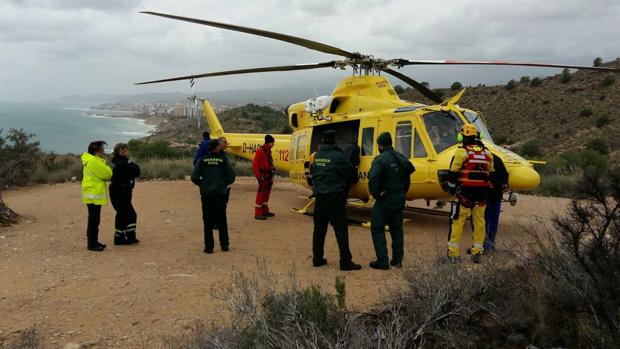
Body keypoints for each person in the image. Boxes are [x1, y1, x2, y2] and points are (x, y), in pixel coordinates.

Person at [310, 130, 361, 271]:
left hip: (319, 198)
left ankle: (317, 259)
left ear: (323, 140)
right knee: (341, 230)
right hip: (335, 198)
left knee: (319, 230)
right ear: (334, 140)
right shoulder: (338, 156)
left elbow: (313, 172)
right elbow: (351, 174)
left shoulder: (318, 156)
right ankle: (345, 262)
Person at [446, 124, 494, 264]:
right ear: (477, 136)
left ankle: (453, 254)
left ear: (462, 136)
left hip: (465, 193)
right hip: (482, 194)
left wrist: (451, 189)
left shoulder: (462, 152)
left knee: (457, 221)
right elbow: (491, 171)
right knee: (479, 222)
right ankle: (477, 252)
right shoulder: (487, 152)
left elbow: (453, 172)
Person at [368, 132, 415, 270]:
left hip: (385, 200)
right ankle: (397, 260)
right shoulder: (401, 158)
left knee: (377, 228)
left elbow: (373, 179)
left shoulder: (380, 159)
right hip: (399, 199)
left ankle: (382, 261)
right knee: (397, 230)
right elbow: (407, 180)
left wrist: (377, 195)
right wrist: (401, 193)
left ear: (380, 145)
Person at [191, 139, 236, 254]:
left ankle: (209, 247)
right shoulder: (223, 160)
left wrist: (203, 185)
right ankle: (224, 245)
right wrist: (223, 184)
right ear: (216, 148)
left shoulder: (203, 160)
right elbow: (231, 177)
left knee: (207, 221)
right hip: (220, 194)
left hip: (207, 195)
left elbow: (194, 177)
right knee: (222, 219)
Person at [81, 141, 113, 252]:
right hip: (94, 194)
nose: (103, 151)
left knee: (94, 219)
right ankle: (92, 244)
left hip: (91, 193)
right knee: (94, 220)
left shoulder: (90, 160)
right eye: (102, 149)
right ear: (96, 150)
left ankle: (94, 241)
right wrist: (107, 169)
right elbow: (107, 174)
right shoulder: (94, 161)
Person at [109, 143, 141, 245]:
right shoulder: (119, 163)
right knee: (123, 214)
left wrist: (130, 163)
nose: (127, 152)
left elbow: (137, 170)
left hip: (125, 192)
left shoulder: (124, 162)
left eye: (127, 150)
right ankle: (119, 237)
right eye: (125, 150)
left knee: (129, 214)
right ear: (120, 151)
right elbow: (134, 171)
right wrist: (131, 164)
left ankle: (130, 236)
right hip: (119, 192)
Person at [484, 154, 508, 253]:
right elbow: (506, 175)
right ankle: (491, 244)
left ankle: (485, 245)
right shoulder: (498, 158)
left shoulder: (482, 157)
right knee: (494, 220)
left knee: (484, 220)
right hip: (497, 194)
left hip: (485, 195)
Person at [252, 135, 276, 220]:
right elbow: (255, 164)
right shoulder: (261, 151)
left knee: (266, 193)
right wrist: (258, 177)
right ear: (268, 142)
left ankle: (265, 210)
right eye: (272, 143)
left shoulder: (268, 151)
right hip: (263, 176)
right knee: (261, 193)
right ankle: (258, 213)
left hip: (268, 175)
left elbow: (268, 162)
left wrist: (272, 169)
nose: (273, 144)